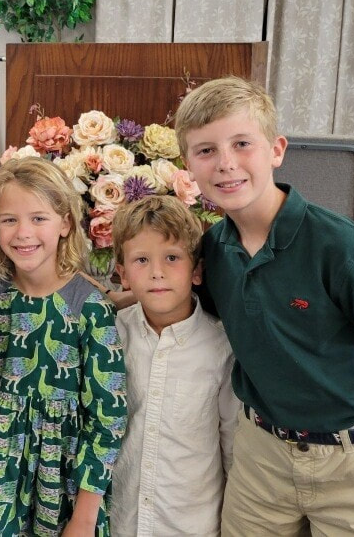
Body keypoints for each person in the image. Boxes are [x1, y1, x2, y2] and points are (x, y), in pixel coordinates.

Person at [174, 76, 354, 536]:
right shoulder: (213, 250)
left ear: (276, 150)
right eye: (206, 151)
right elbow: (180, 301)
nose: (226, 164)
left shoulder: (344, 251)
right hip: (261, 456)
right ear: (188, 166)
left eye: (242, 144)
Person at [0, 156, 127, 537]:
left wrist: (85, 513)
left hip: (65, 473)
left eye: (38, 218)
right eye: (9, 220)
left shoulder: (89, 308)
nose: (23, 233)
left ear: (65, 223)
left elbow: (109, 414)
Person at [109, 194, 239, 536]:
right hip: (120, 520)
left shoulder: (221, 347)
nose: (157, 273)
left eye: (171, 258)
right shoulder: (110, 337)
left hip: (190, 524)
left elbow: (232, 445)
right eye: (140, 260)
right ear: (122, 274)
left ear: (196, 271)